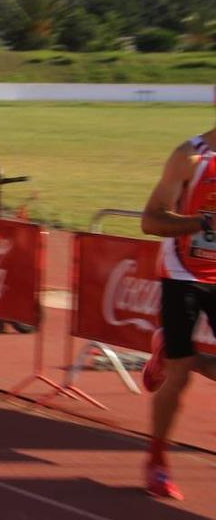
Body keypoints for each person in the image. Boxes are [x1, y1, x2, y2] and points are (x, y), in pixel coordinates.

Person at [138, 122, 216, 500]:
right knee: (180, 376)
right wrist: (202, 222)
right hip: (182, 274)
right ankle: (157, 463)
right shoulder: (190, 156)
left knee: (185, 363)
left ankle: (169, 353)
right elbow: (151, 219)